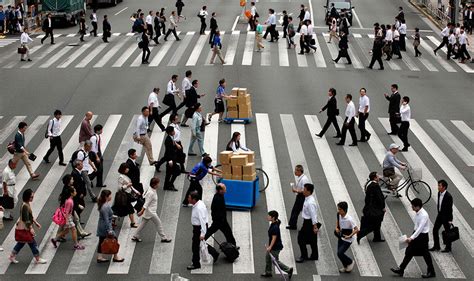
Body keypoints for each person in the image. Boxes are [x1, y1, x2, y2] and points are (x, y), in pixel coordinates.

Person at [391, 198, 436, 278]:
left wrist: (411, 238)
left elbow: (420, 228)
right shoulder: (418, 212)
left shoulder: (424, 215)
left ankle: (431, 272)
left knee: (425, 254)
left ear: (418, 207)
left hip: (422, 237)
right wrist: (412, 235)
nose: (412, 207)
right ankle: (401, 269)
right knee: (410, 251)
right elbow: (416, 226)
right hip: (417, 235)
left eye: (413, 206)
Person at [8, 189, 47, 264]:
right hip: (26, 228)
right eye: (31, 197)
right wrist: (31, 228)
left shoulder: (26, 204)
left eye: (32, 197)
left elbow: (30, 216)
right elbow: (26, 219)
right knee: (33, 243)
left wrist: (35, 222)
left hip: (25, 228)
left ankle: (12, 256)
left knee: (21, 243)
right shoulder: (25, 206)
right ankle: (38, 259)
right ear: (27, 197)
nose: (32, 198)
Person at [132, 177, 172, 243]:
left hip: (149, 211)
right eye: (158, 183)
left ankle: (135, 236)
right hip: (151, 212)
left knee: (142, 224)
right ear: (154, 185)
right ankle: (163, 237)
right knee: (159, 223)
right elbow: (146, 203)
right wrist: (141, 211)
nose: (159, 185)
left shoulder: (150, 189)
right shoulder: (151, 193)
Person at [187, 191, 219, 270]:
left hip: (199, 228)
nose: (188, 199)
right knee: (201, 244)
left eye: (189, 198)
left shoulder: (199, 208)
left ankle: (196, 264)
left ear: (194, 199)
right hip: (199, 228)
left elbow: (203, 221)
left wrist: (202, 234)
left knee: (195, 246)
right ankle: (214, 253)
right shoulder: (198, 203)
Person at [261, 210, 294, 278]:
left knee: (275, 261)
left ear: (273, 217)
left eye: (269, 216)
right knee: (268, 258)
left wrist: (270, 247)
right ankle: (268, 272)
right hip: (275, 246)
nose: (267, 217)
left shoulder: (275, 227)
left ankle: (288, 270)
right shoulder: (275, 223)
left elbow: (274, 238)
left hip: (275, 247)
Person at [51, 186, 85, 250]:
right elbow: (66, 212)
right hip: (67, 217)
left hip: (68, 217)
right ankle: (76, 245)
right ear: (71, 193)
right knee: (74, 230)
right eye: (74, 191)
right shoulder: (69, 201)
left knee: (66, 231)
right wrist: (67, 221)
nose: (76, 192)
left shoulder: (70, 199)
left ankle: (54, 239)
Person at [96, 189, 124, 263]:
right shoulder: (105, 207)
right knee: (114, 239)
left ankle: (99, 256)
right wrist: (109, 230)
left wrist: (112, 216)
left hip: (101, 226)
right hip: (105, 227)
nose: (111, 197)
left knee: (101, 240)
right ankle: (115, 256)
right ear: (106, 197)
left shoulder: (104, 205)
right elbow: (106, 220)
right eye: (110, 195)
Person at [357, 172, 386, 244]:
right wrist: (383, 207)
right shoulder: (375, 186)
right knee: (376, 223)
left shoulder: (370, 185)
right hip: (375, 209)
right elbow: (380, 198)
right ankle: (361, 234)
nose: (379, 177)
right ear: (375, 178)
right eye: (378, 176)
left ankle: (377, 237)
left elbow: (367, 198)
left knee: (376, 223)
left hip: (370, 208)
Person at [296, 183, 320, 263]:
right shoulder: (308, 198)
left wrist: (315, 226)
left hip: (308, 223)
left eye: (305, 190)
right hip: (308, 222)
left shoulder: (310, 203)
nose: (303, 191)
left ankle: (304, 256)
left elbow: (313, 215)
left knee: (300, 239)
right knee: (313, 240)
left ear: (309, 191)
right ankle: (314, 255)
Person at [429, 180, 453, 253]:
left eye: (439, 185)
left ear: (444, 187)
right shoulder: (439, 193)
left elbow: (450, 209)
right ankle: (437, 246)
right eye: (438, 185)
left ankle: (448, 247)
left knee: (448, 232)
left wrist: (450, 219)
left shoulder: (448, 196)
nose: (438, 187)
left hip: (446, 217)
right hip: (440, 215)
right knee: (435, 230)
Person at [335, 201, 357, 273]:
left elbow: (356, 229)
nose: (339, 211)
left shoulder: (349, 219)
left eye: (340, 209)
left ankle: (350, 262)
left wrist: (349, 236)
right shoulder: (338, 214)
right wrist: (337, 228)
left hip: (348, 239)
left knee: (340, 253)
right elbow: (338, 222)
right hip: (341, 236)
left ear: (344, 210)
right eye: (338, 209)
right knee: (339, 253)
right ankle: (345, 266)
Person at [286, 165, 310, 230]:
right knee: (297, 211)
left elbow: (305, 190)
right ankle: (292, 225)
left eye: (296, 170)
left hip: (302, 197)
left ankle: (293, 225)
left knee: (298, 211)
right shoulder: (300, 178)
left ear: (300, 171)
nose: (295, 171)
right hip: (300, 196)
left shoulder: (304, 179)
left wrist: (296, 190)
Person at [117, 163, 140, 228]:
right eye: (127, 168)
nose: (128, 169)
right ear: (123, 169)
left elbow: (130, 185)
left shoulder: (125, 175)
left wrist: (135, 191)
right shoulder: (121, 177)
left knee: (124, 209)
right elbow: (119, 188)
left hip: (128, 194)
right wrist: (127, 186)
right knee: (130, 209)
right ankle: (132, 223)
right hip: (124, 195)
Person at [162, 126, 181, 191]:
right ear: (170, 132)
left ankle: (167, 185)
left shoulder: (171, 137)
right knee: (174, 172)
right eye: (173, 131)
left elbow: (173, 142)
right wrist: (170, 160)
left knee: (170, 173)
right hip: (170, 159)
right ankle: (169, 185)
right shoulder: (168, 140)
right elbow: (168, 151)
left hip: (172, 158)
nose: (174, 132)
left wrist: (176, 145)